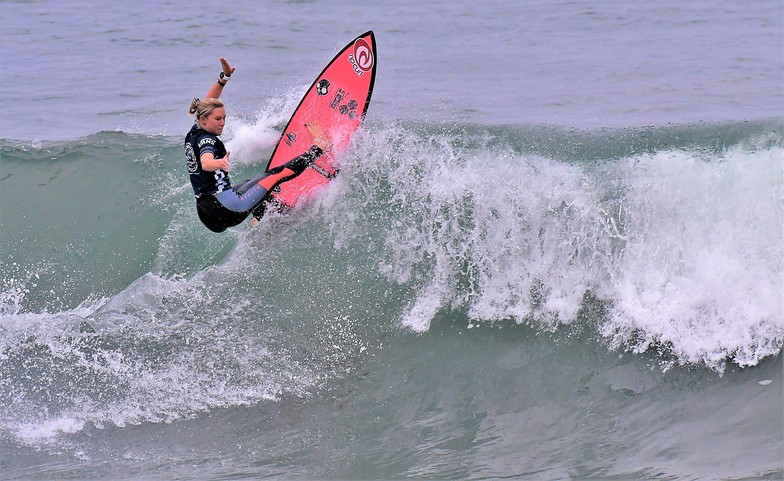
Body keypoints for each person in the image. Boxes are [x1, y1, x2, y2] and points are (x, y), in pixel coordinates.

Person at [185, 57, 332, 232]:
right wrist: (218, 163)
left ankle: (259, 218)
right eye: (218, 119)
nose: (222, 122)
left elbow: (208, 102)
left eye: (224, 118)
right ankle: (319, 147)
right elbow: (206, 162)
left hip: (207, 212)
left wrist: (224, 77)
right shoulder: (207, 140)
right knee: (276, 175)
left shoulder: (196, 130)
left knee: (254, 183)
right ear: (204, 119)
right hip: (228, 209)